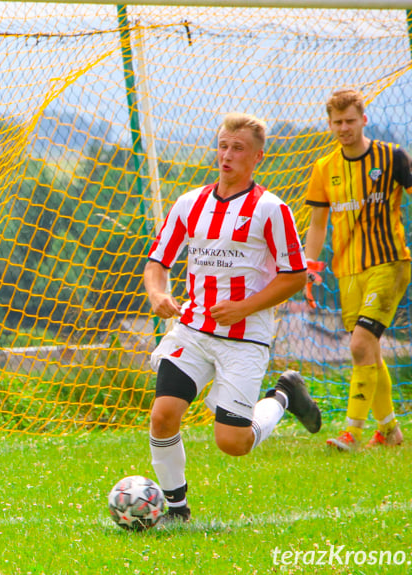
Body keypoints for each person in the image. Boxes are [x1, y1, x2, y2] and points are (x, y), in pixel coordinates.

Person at [145, 112, 321, 524]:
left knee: (233, 443)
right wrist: (158, 293)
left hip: (245, 338)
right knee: (163, 414)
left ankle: (283, 395)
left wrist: (244, 307)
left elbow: (295, 276)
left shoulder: (271, 210)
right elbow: (158, 261)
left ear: (257, 156)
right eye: (222, 145)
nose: (226, 155)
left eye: (237, 148)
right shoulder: (190, 203)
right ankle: (176, 510)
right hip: (192, 331)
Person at [304, 89, 412, 452]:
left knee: (360, 343)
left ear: (363, 119)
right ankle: (390, 430)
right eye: (337, 122)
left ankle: (352, 432)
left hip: (390, 263)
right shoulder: (324, 168)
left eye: (350, 120)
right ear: (330, 124)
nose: (344, 128)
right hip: (347, 271)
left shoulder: (391, 156)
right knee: (370, 350)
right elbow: (318, 223)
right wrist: (310, 264)